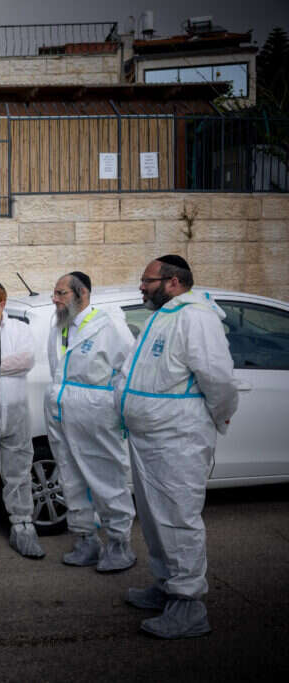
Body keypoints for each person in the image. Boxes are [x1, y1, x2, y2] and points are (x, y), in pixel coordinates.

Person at [118, 255, 238, 639]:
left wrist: (218, 417)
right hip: (150, 436)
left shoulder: (196, 318)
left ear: (172, 282)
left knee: (177, 519)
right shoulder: (161, 316)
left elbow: (218, 378)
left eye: (147, 280)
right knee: (154, 519)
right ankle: (167, 585)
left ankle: (189, 606)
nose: (141, 286)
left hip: (178, 437)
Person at [45, 272, 137, 573]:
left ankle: (119, 544)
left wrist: (117, 408)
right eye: (55, 294)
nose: (55, 300)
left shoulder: (109, 326)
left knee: (107, 478)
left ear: (82, 293)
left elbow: (129, 368)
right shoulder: (60, 325)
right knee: (71, 479)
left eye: (61, 294)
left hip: (96, 412)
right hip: (62, 410)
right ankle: (86, 539)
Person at [0, 280, 44, 559]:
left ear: (2, 304)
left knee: (18, 470)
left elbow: (26, 360)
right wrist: (2, 365)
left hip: (15, 411)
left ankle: (22, 525)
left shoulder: (19, 329)